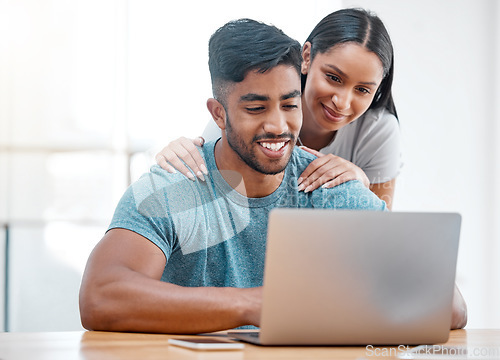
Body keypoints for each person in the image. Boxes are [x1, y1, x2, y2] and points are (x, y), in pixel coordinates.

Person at [79, 18, 389, 334]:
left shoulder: (327, 185)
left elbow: (436, 293)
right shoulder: (177, 186)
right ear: (218, 114)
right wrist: (253, 305)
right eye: (256, 108)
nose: (278, 126)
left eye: (290, 105)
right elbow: (101, 297)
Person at [155, 8, 402, 209]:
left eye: (362, 90)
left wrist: (360, 182)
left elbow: (379, 233)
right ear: (307, 57)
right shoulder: (255, 102)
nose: (342, 102)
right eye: (333, 78)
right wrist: (179, 153)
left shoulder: (377, 130)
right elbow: (205, 170)